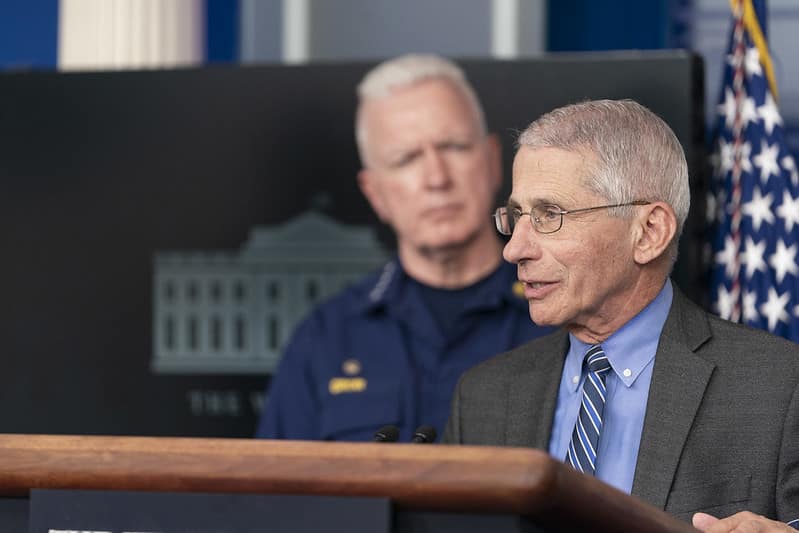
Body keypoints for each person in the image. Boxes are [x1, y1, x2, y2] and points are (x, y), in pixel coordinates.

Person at [443, 99, 799, 531]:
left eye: (549, 215)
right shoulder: (483, 397)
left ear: (649, 233)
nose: (514, 249)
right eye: (516, 216)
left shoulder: (781, 388)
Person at [255, 54, 553, 442]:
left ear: (493, 161)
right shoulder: (325, 339)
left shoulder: (558, 316)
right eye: (406, 159)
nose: (436, 178)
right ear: (374, 193)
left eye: (454, 146)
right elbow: (278, 481)